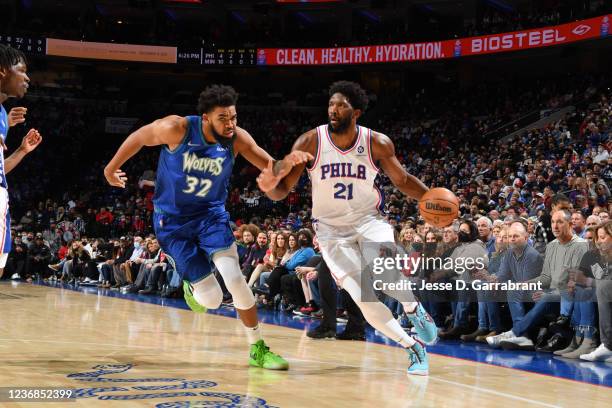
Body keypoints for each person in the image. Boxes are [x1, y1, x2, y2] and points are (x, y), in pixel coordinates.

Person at [104, 84, 312, 370]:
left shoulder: (236, 139)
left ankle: (258, 348)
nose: (230, 124)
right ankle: (192, 282)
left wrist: (290, 162)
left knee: (235, 280)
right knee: (212, 301)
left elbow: (270, 167)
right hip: (172, 223)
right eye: (223, 118)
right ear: (205, 118)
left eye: (234, 118)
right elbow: (139, 137)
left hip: (211, 216)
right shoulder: (176, 128)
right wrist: (110, 168)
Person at [258, 81, 439, 376]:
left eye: (340, 105)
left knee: (383, 270)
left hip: (368, 220)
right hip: (330, 231)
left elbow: (402, 180)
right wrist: (270, 189)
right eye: (330, 104)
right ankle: (412, 347)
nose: (333, 109)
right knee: (362, 296)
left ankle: (412, 308)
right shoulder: (309, 142)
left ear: (355, 112)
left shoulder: (376, 142)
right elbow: (283, 190)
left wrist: (431, 199)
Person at [0, 44, 42, 278]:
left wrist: (22, 151)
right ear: (3, 71)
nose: (27, 77)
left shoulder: (3, 115)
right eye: (22, 70)